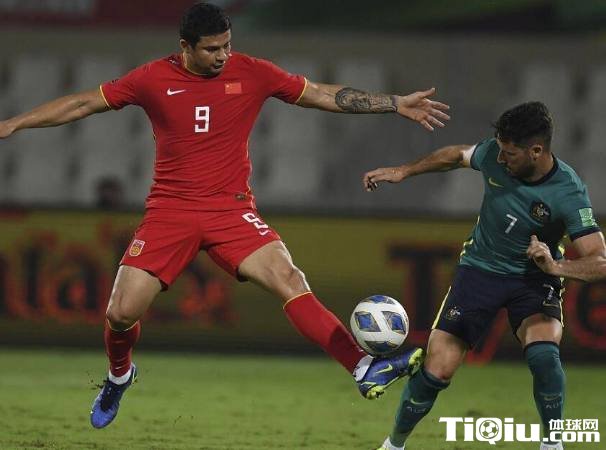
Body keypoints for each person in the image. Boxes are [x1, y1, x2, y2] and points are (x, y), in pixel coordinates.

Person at [0, 3, 451, 429]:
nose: (223, 56)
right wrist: (15, 123)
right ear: (185, 46)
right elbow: (83, 103)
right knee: (120, 313)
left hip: (230, 210)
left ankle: (362, 367)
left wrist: (394, 102)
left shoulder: (252, 72)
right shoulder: (152, 78)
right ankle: (120, 375)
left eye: (227, 45)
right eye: (212, 48)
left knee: (289, 278)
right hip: (171, 211)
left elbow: (319, 93)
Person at [363, 102, 605, 450]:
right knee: (437, 370)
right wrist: (404, 171)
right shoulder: (494, 153)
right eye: (499, 149)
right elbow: (455, 155)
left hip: (534, 279)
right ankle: (394, 445)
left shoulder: (569, 191)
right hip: (479, 272)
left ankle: (552, 445)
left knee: (543, 357)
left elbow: (600, 261)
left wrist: (556, 268)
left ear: (536, 151)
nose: (500, 158)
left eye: (510, 153)